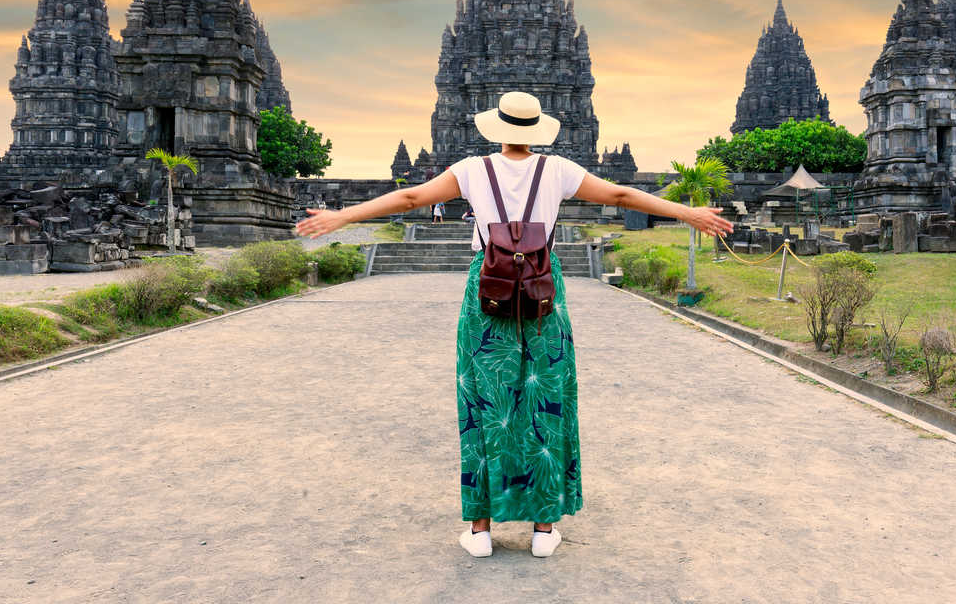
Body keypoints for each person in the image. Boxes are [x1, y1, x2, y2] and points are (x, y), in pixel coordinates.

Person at [295, 91, 732, 559]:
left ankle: (480, 531)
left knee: (486, 398)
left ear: (496, 130)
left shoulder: (471, 170)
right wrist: (689, 212)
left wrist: (342, 216)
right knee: (546, 396)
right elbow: (622, 194)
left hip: (489, 288)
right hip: (544, 290)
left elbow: (410, 197)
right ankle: (544, 530)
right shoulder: (558, 170)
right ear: (536, 131)